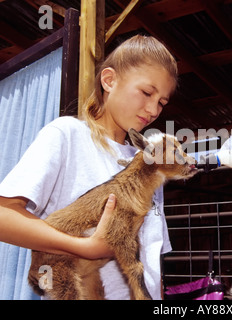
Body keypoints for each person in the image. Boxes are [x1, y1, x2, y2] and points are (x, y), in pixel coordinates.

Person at [0, 35, 178, 300]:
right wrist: (86, 248)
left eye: (162, 102)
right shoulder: (67, 135)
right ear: (109, 80)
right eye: (146, 92)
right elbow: (4, 215)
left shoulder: (148, 163)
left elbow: (152, 261)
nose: (153, 109)